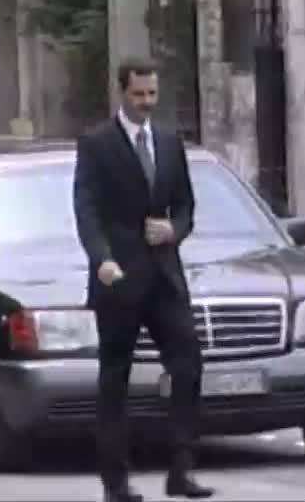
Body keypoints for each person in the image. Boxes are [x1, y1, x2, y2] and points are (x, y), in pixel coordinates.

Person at [73, 58, 214, 502]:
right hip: (119, 277)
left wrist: (175, 229)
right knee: (115, 378)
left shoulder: (169, 141)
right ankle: (115, 481)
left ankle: (182, 470)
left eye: (152, 94)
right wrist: (101, 259)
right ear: (122, 93)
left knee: (188, 362)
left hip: (165, 277)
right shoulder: (97, 143)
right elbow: (87, 208)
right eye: (139, 94)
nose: (147, 102)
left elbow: (186, 205)